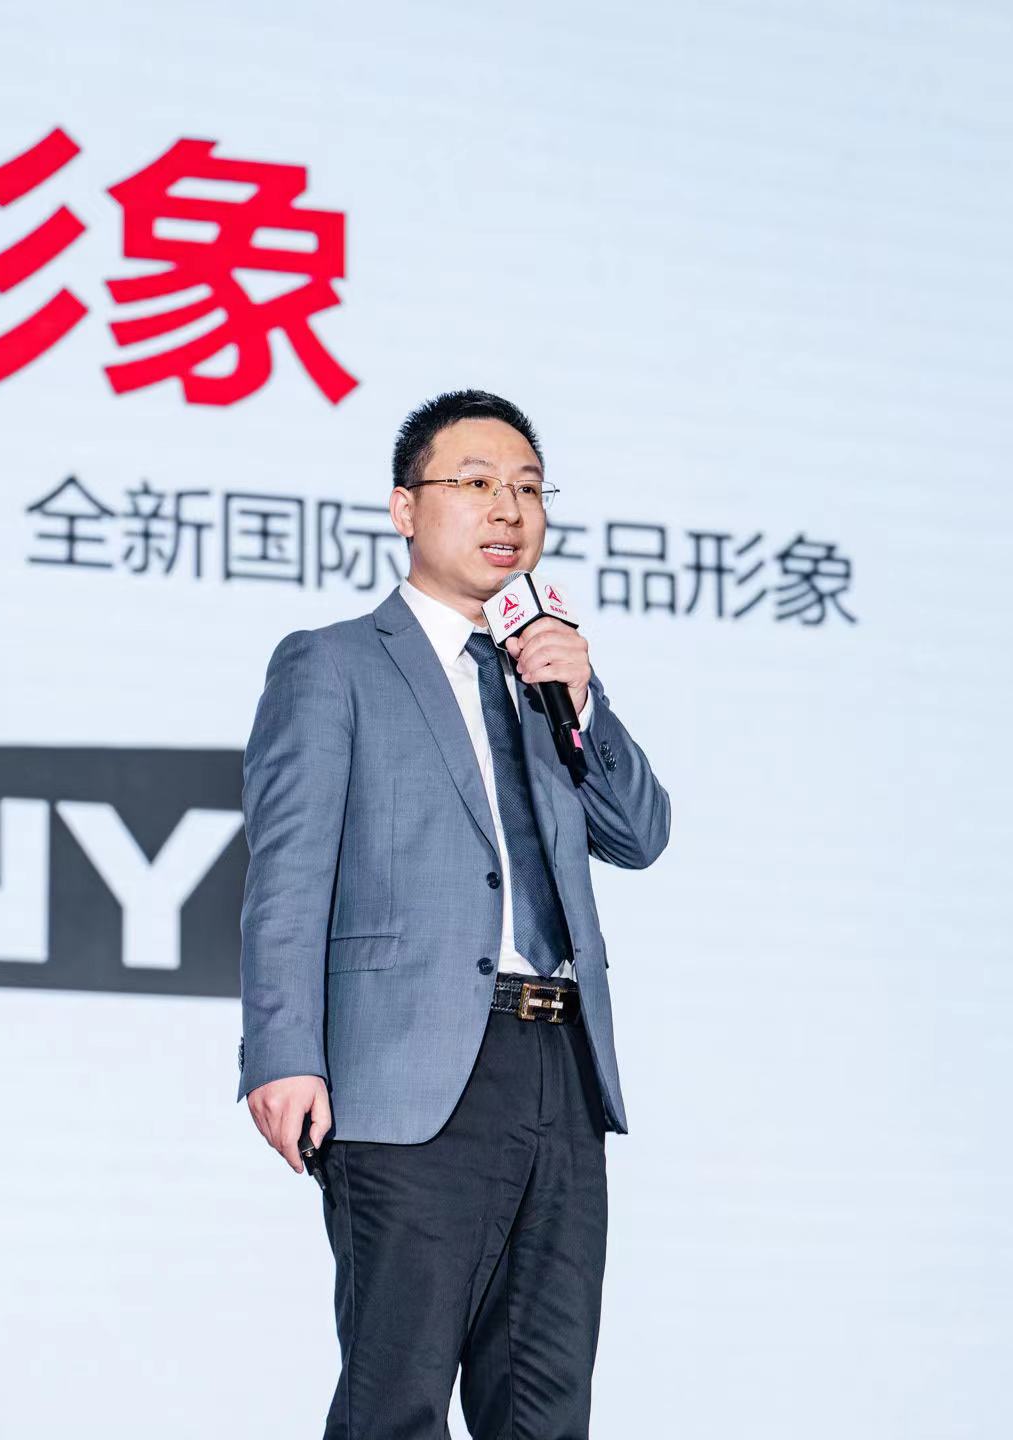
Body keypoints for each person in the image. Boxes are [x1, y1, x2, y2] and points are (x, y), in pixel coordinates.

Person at [235, 390, 674, 1438]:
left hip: (560, 1066)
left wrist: (584, 699)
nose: (507, 508)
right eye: (475, 482)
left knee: (544, 1410)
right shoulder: (334, 663)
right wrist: (281, 1054)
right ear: (405, 508)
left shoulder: (543, 677)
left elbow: (639, 835)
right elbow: (286, 875)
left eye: (527, 488)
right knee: (397, 1402)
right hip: (410, 1073)